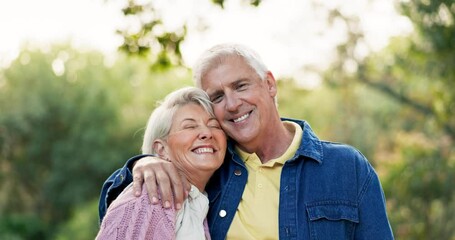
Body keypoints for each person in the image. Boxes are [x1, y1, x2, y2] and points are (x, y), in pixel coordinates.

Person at [99, 43, 394, 239]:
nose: (232, 103)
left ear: (269, 84)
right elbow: (120, 213)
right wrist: (144, 162)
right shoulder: (210, 169)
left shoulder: (345, 168)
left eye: (241, 86)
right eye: (216, 96)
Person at [96, 87, 226, 239]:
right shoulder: (148, 197)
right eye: (190, 126)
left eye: (214, 125)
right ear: (162, 149)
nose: (207, 133)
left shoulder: (200, 202)